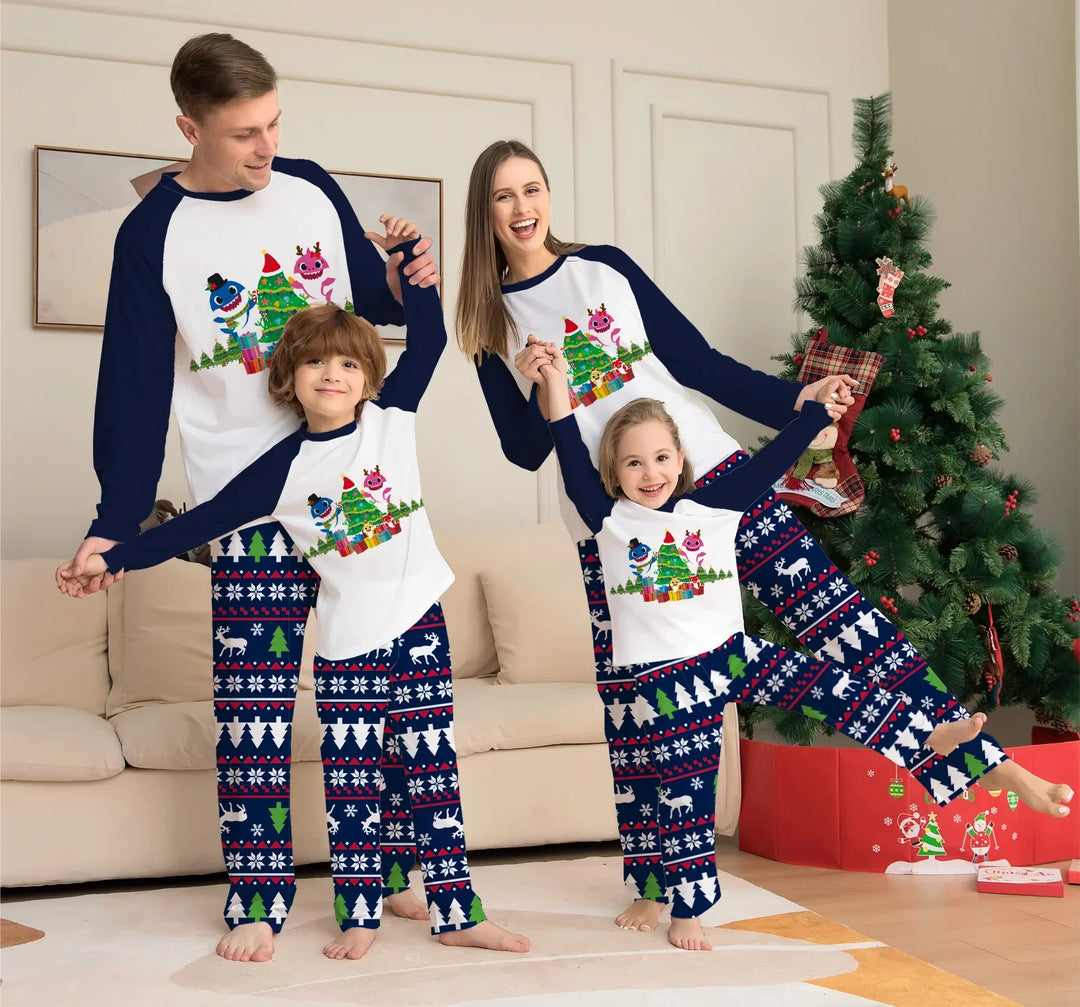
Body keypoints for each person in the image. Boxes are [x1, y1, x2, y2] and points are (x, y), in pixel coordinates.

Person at [455, 139, 1074, 936]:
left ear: (547, 193)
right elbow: (523, 449)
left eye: (530, 188)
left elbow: (696, 362)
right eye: (503, 196)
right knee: (632, 707)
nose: (521, 208)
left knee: (844, 623)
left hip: (712, 477)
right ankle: (651, 880)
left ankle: (972, 754)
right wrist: (545, 386)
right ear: (486, 211)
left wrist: (797, 401)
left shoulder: (602, 267)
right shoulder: (485, 322)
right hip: (618, 527)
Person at [59, 33, 435, 961]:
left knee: (375, 696)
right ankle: (257, 898)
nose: (267, 149)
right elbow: (135, 390)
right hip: (249, 504)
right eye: (242, 135)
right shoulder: (152, 235)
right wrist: (115, 525)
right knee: (256, 711)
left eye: (273, 124)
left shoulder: (307, 184)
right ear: (188, 126)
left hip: (353, 486)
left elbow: (368, 308)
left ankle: (386, 875)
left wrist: (405, 278)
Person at [58, 243, 531, 962]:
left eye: (347, 363)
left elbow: (430, 340)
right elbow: (195, 526)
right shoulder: (278, 470)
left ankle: (457, 908)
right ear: (289, 378)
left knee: (434, 777)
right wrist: (113, 556)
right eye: (315, 362)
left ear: (369, 376)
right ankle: (360, 916)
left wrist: (413, 265)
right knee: (353, 792)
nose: (332, 373)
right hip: (345, 649)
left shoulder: (391, 420)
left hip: (418, 629)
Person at [536, 354, 1073, 950]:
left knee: (838, 691)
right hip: (667, 685)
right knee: (683, 793)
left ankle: (930, 735)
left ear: (682, 461)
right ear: (612, 474)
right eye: (633, 463)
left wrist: (814, 413)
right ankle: (684, 909)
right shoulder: (607, 520)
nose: (650, 472)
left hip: (733, 655)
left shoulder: (713, 508)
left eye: (662, 457)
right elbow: (565, 445)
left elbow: (770, 462)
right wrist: (556, 387)